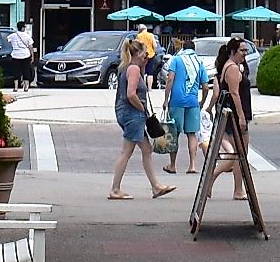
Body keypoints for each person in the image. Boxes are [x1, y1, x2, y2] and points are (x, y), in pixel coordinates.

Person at [108, 34, 174, 201]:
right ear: (138, 55)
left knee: (146, 149)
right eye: (145, 55)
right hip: (133, 115)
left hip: (128, 114)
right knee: (126, 151)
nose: (147, 59)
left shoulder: (128, 68)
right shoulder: (134, 69)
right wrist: (142, 108)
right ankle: (115, 189)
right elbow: (131, 94)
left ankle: (156, 186)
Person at [210, 36, 255, 200]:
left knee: (239, 154)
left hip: (233, 114)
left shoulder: (231, 67)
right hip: (236, 115)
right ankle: (219, 180)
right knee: (240, 154)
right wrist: (242, 116)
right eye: (242, 50)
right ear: (233, 51)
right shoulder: (232, 69)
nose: (245, 53)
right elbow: (235, 93)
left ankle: (238, 189)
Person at [161, 36, 211, 174]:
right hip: (193, 102)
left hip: (176, 101)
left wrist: (166, 99)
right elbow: (206, 87)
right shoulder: (199, 63)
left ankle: (172, 165)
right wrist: (202, 101)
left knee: (174, 133)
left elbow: (170, 78)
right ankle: (192, 165)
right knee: (192, 134)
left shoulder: (176, 60)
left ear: (183, 49)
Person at [7, 21, 36, 90]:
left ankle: (16, 87)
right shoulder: (27, 36)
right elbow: (30, 47)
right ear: (23, 28)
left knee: (16, 71)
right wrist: (32, 56)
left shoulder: (13, 35)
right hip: (25, 55)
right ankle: (26, 87)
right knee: (26, 71)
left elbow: (8, 39)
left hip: (15, 55)